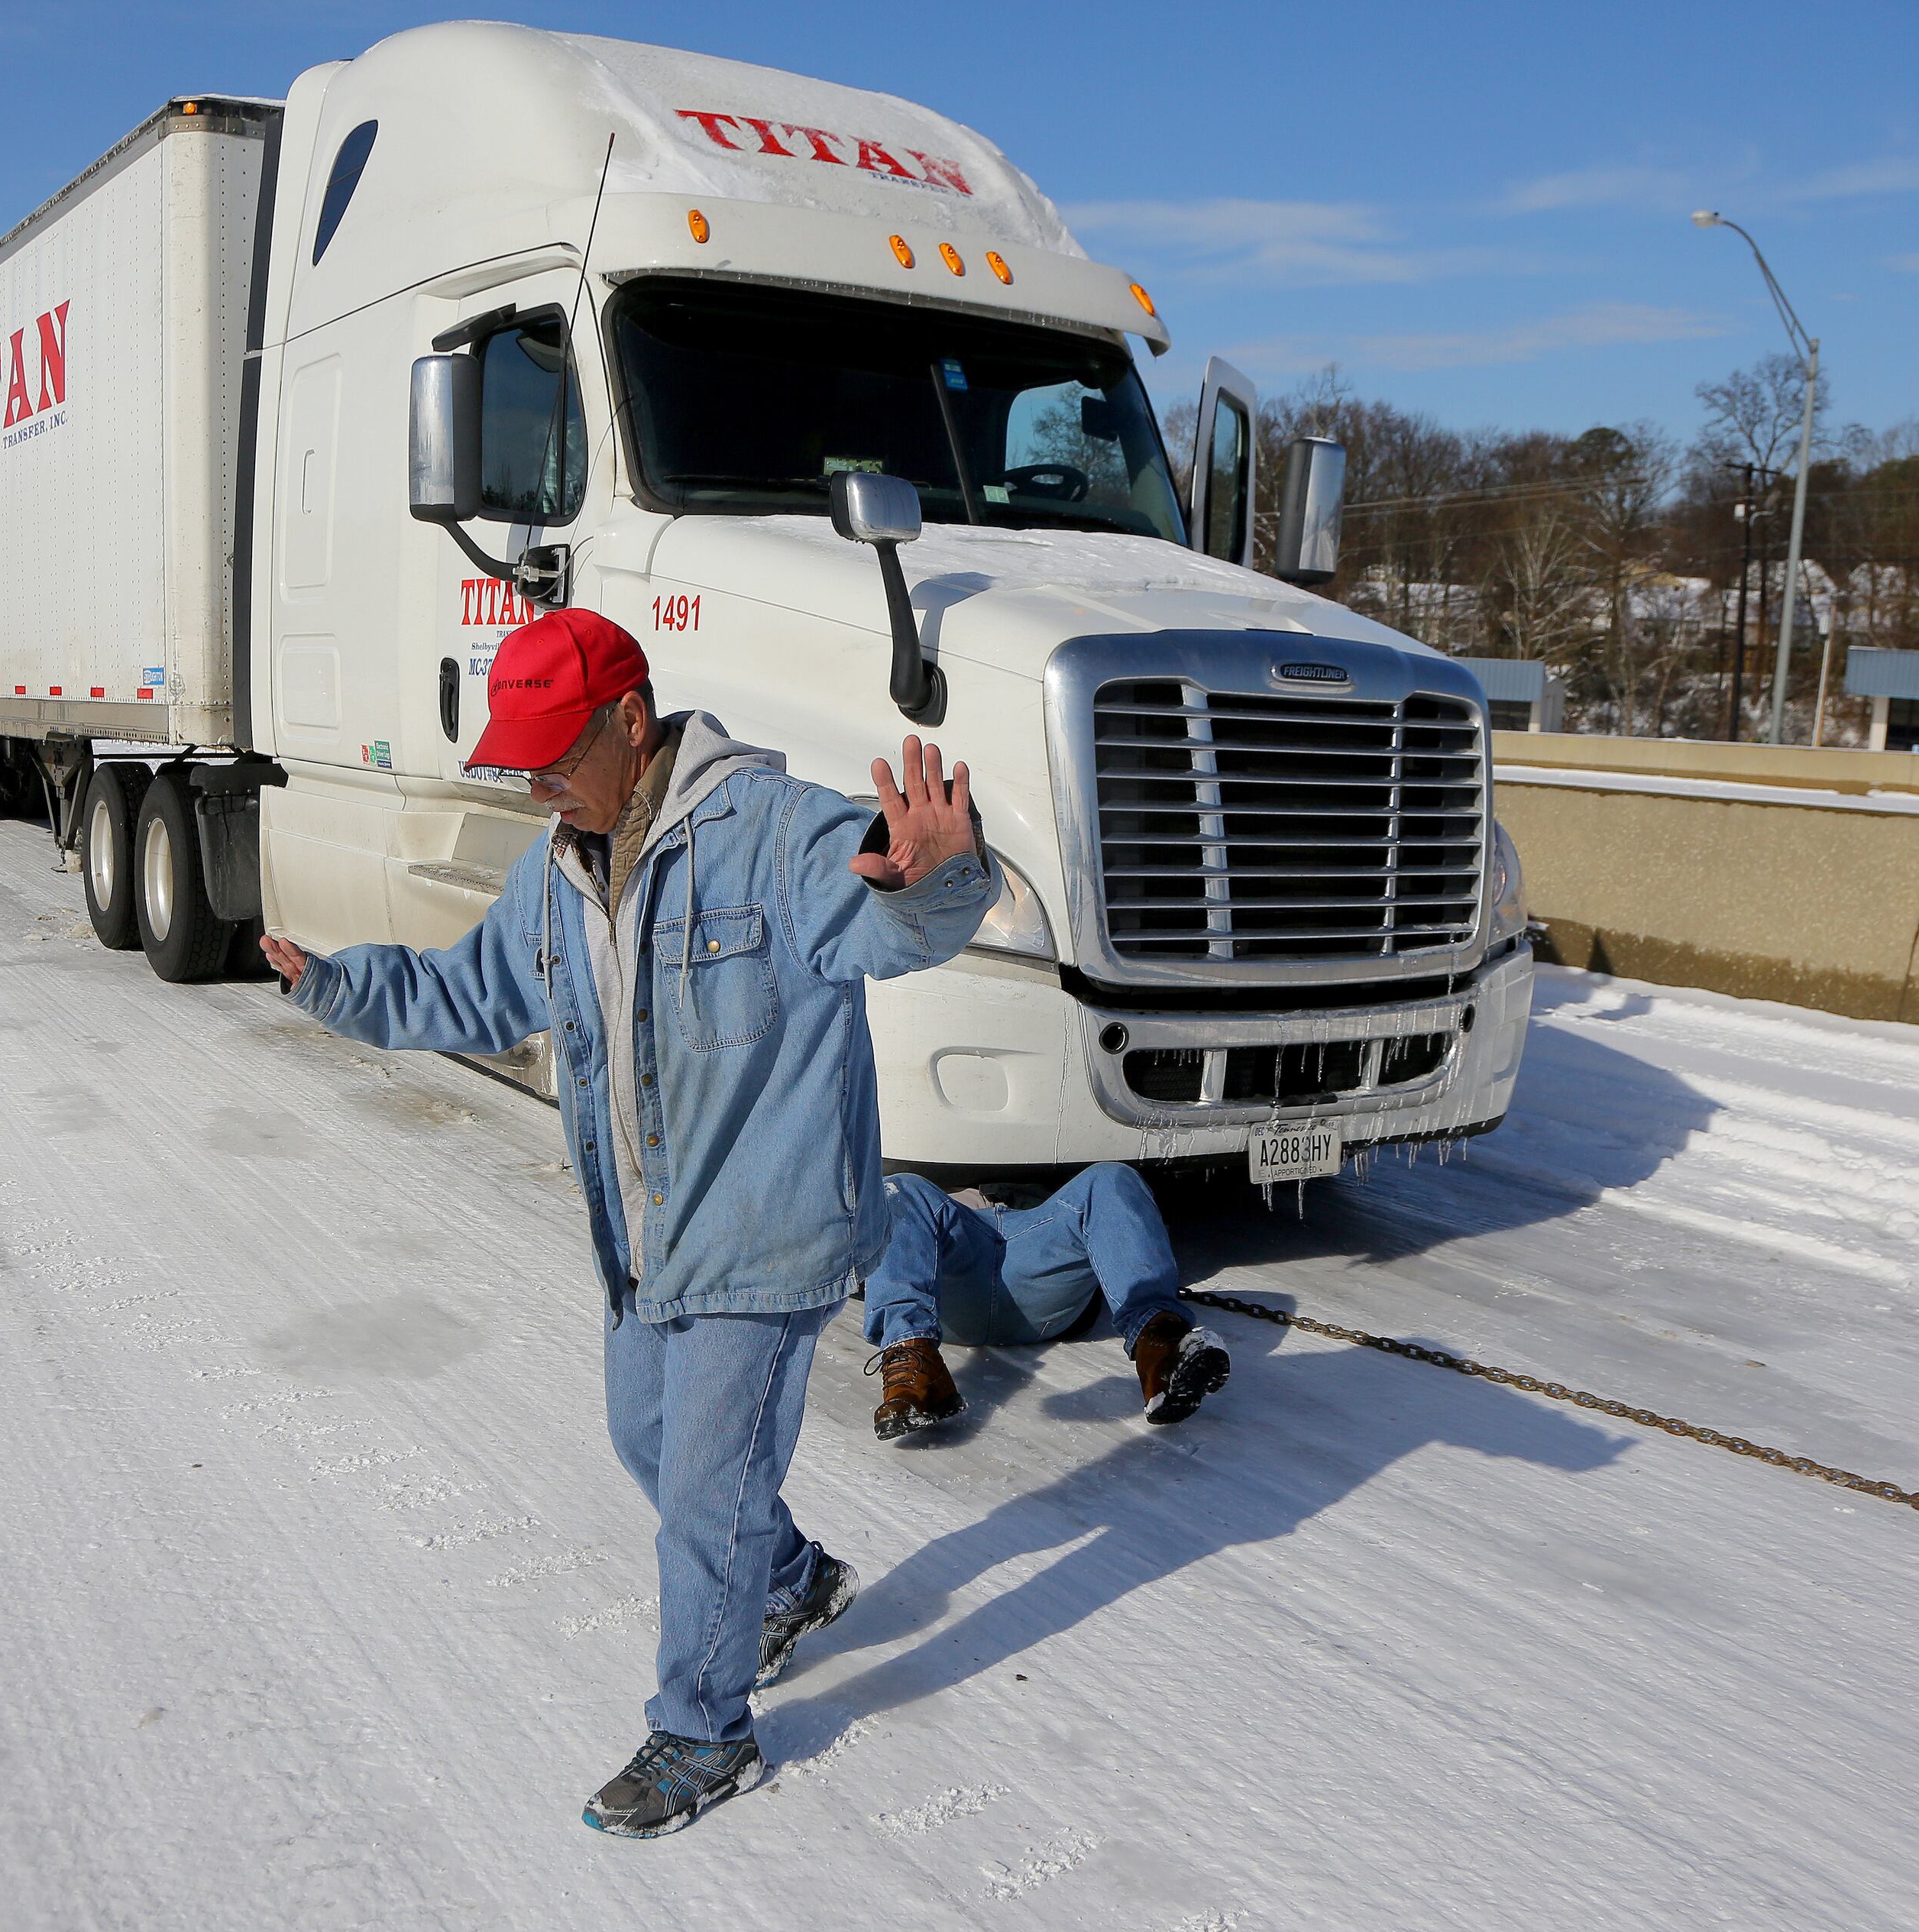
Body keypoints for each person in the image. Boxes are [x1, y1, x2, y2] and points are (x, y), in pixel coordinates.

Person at [261, 608, 998, 1840]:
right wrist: (340, 985)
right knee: (644, 1434)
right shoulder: (554, 871)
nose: (534, 777)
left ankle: (705, 1732)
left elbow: (894, 917)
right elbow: (472, 988)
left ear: (631, 722)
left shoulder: (768, 829)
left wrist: (946, 878)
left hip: (764, 1234)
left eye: (554, 748)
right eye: (521, 754)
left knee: (705, 1492)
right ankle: (792, 1581)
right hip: (646, 1236)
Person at [859, 1170, 1233, 1440]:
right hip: (954, 1274)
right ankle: (915, 1365)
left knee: (1111, 1178)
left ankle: (1161, 1350)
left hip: (1039, 1258)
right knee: (899, 1188)